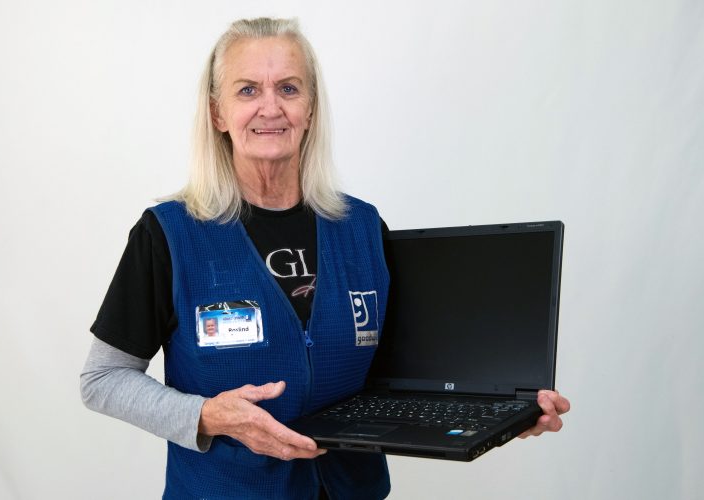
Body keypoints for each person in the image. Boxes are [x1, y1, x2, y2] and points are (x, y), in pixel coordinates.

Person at [80, 17, 570, 499]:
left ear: (310, 108)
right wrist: (206, 416)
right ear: (217, 113)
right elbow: (103, 379)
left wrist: (503, 410)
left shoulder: (361, 228)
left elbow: (400, 373)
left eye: (289, 89)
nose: (270, 107)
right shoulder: (170, 233)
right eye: (247, 90)